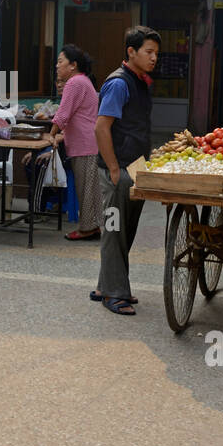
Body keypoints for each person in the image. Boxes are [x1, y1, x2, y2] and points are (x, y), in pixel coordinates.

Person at [90, 26, 160, 316]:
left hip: (136, 164)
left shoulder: (140, 81)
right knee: (114, 229)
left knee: (124, 230)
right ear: (131, 52)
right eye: (149, 52)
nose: (154, 58)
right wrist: (115, 169)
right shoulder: (119, 83)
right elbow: (101, 127)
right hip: (117, 168)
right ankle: (114, 294)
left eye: (157, 53)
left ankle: (105, 285)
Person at [49, 45, 101, 241]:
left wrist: (51, 134)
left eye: (61, 61)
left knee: (86, 188)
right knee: (90, 188)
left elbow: (63, 114)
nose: (57, 65)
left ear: (73, 65)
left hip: (85, 144)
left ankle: (87, 228)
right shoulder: (83, 81)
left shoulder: (74, 83)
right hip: (88, 143)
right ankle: (95, 225)